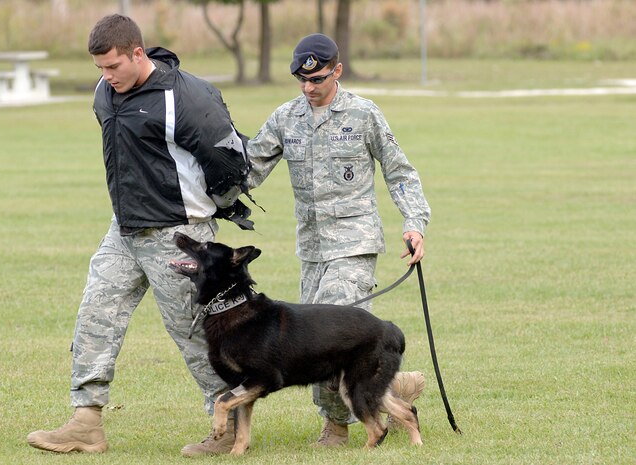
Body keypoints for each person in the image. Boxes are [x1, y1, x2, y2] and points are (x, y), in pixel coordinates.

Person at [26, 14, 250, 456]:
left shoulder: (186, 97)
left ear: (137, 53)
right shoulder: (104, 94)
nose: (107, 78)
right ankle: (85, 421)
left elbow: (230, 163)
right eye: (100, 70)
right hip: (123, 230)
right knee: (96, 315)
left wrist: (211, 215)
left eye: (113, 67)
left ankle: (229, 428)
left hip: (178, 233)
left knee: (196, 333)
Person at [245, 33, 431, 447]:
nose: (309, 88)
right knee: (310, 344)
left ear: (338, 71)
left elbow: (399, 171)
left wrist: (414, 222)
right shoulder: (285, 118)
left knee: (329, 337)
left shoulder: (364, 114)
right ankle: (391, 386)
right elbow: (249, 169)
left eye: (318, 80)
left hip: (354, 242)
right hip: (311, 249)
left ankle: (336, 428)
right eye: (302, 80)